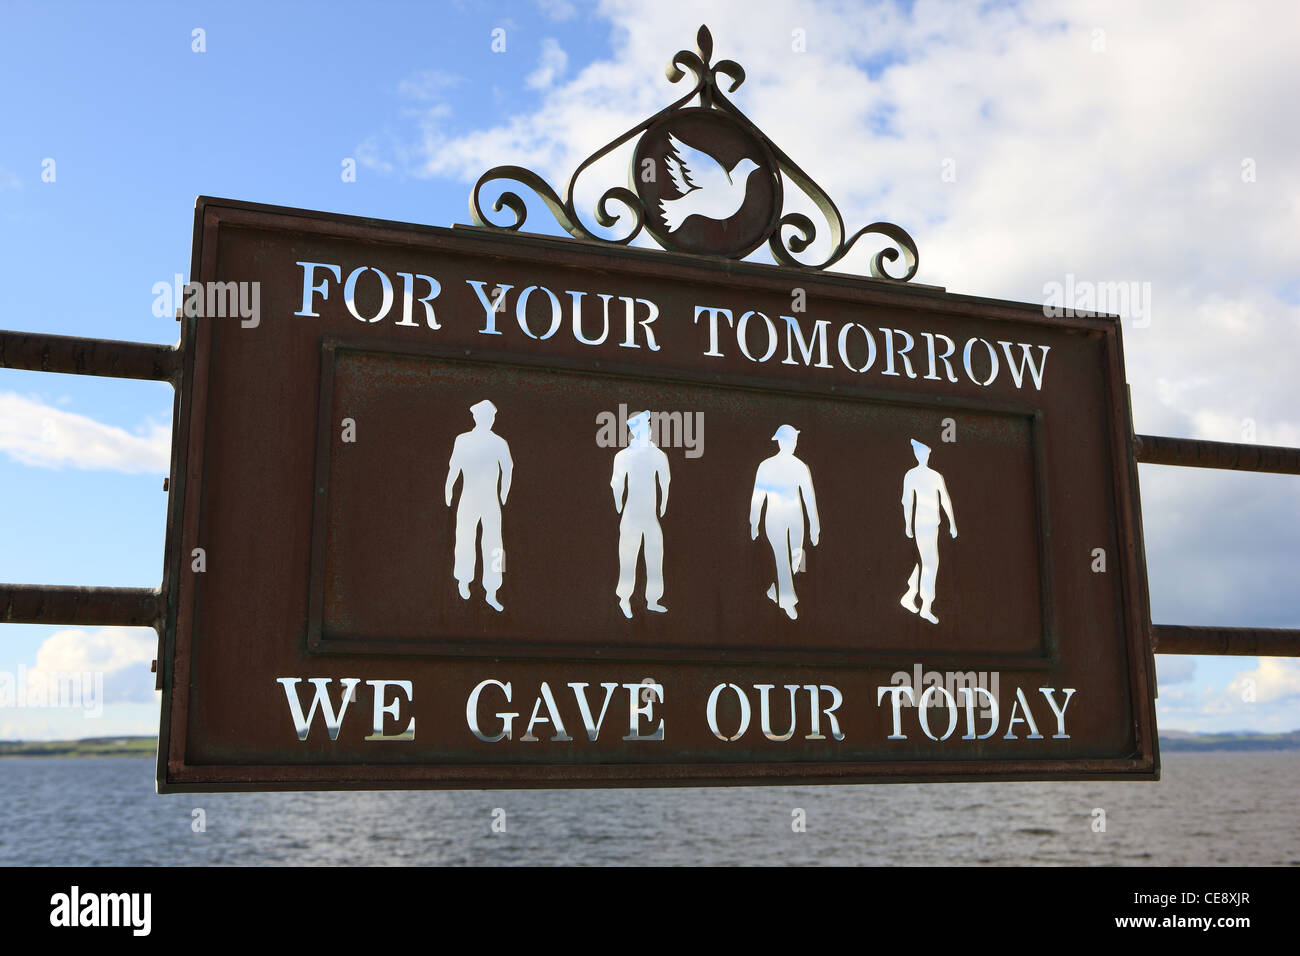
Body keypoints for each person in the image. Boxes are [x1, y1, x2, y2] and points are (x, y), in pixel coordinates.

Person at [445, 399, 513, 612]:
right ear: (476, 417)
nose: (488, 420)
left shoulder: (499, 442)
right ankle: (463, 581)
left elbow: (508, 467)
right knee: (464, 538)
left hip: (490, 499)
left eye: (490, 417)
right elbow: (454, 466)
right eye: (485, 417)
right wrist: (448, 488)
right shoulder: (463, 440)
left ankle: (492, 590)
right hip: (469, 497)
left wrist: (503, 493)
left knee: (494, 546)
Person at [750, 424, 820, 620]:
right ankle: (788, 601)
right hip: (774, 517)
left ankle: (776, 591)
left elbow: (808, 498)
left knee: (796, 559)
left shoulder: (800, 467)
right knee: (781, 557)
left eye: (794, 440)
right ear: (780, 442)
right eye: (790, 440)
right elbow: (758, 496)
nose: (793, 444)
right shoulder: (766, 465)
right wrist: (753, 522)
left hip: (796, 517)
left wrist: (815, 526)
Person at [611, 409, 670, 618]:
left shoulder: (657, 455)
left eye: (648, 426)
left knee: (655, 556)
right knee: (628, 556)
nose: (648, 430)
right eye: (644, 427)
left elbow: (665, 481)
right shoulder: (623, 456)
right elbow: (616, 483)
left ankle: (653, 599)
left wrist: (663, 504)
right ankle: (625, 598)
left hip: (650, 517)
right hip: (631, 516)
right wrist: (618, 504)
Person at [899, 438, 957, 624]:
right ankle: (925, 606)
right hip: (922, 525)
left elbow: (944, 500)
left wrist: (952, 523)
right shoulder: (912, 475)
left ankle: (910, 594)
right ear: (917, 455)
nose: (923, 456)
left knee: (925, 561)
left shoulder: (935, 476)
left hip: (933, 524)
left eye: (925, 453)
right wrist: (908, 525)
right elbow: (907, 501)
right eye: (920, 453)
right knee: (931, 563)